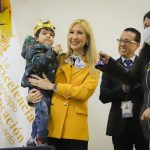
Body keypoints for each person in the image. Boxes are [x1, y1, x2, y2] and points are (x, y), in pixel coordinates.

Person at [26, 18, 100, 150]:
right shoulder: (59, 58)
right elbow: (40, 82)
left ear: (88, 38)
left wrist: (53, 86)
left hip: (75, 132)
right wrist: (30, 99)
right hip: (51, 128)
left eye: (79, 33)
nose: (74, 37)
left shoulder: (94, 64)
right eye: (71, 32)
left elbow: (83, 92)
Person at [96, 11, 150, 141]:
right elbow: (103, 96)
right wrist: (122, 89)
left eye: (127, 41)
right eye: (120, 40)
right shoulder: (112, 67)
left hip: (142, 121)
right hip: (119, 125)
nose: (122, 44)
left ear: (136, 45)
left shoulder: (144, 63)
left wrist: (132, 88)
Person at [21, 20, 63, 146]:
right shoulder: (34, 48)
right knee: (43, 113)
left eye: (51, 34)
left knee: (41, 114)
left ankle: (33, 138)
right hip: (37, 87)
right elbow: (39, 63)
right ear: (36, 38)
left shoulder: (50, 51)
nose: (49, 36)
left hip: (48, 88)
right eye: (44, 33)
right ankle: (41, 138)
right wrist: (54, 52)